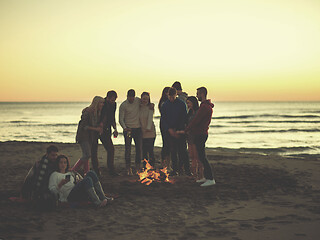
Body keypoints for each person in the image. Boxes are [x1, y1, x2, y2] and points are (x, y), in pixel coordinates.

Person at [184, 87, 216, 187]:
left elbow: (196, 121)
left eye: (198, 94)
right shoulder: (205, 106)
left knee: (202, 157)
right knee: (202, 157)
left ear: (202, 94)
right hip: (201, 133)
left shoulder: (204, 107)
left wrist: (186, 129)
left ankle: (210, 179)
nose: (197, 96)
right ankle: (206, 177)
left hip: (200, 134)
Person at [161, 87, 191, 176]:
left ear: (175, 95)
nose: (171, 99)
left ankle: (187, 170)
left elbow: (184, 118)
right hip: (170, 131)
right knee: (173, 151)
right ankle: (175, 170)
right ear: (168, 95)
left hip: (180, 129)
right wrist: (170, 129)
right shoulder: (165, 105)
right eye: (170, 97)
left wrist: (179, 130)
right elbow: (164, 119)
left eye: (173, 97)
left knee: (183, 151)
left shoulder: (181, 104)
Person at [72, 96, 104, 175]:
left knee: (86, 155)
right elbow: (84, 126)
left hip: (90, 136)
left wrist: (100, 126)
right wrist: (96, 129)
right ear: (96, 103)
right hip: (83, 136)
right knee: (87, 154)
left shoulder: (97, 113)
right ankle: (73, 170)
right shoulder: (88, 112)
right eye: (101, 103)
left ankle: (86, 172)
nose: (102, 105)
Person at [91, 90, 119, 176]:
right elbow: (101, 116)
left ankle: (111, 169)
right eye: (111, 100)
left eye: (114, 100)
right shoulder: (102, 103)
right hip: (96, 128)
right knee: (94, 150)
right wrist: (100, 126)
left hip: (107, 129)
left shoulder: (114, 104)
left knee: (110, 149)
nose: (112, 101)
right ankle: (96, 170)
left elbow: (112, 116)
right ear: (107, 98)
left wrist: (115, 128)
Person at [119, 89, 142, 175]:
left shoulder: (137, 101)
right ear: (127, 96)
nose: (131, 99)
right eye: (130, 97)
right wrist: (125, 128)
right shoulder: (123, 105)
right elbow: (120, 119)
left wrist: (151, 105)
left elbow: (145, 103)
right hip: (128, 129)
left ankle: (137, 167)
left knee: (139, 148)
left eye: (133, 97)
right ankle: (128, 168)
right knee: (128, 149)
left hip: (138, 129)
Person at [185, 96, 203, 180]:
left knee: (197, 156)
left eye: (188, 103)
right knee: (192, 156)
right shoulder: (189, 112)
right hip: (190, 136)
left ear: (193, 103)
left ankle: (200, 174)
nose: (187, 104)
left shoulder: (197, 112)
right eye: (187, 103)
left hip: (196, 136)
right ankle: (194, 174)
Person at [140, 92, 156, 167]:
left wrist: (148, 128)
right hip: (142, 132)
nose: (145, 100)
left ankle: (152, 166)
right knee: (144, 151)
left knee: (150, 150)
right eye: (144, 98)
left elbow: (150, 118)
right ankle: (145, 167)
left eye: (147, 99)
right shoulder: (139, 107)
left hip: (150, 132)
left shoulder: (150, 107)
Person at [158, 87, 172, 170]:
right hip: (164, 125)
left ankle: (168, 164)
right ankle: (164, 164)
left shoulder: (168, 102)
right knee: (166, 144)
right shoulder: (163, 102)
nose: (168, 94)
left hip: (168, 124)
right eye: (167, 93)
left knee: (169, 145)